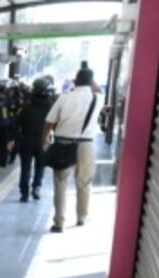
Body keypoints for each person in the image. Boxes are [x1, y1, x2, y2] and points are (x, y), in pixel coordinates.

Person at [43, 64, 104, 232]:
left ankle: (59, 223)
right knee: (84, 183)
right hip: (86, 145)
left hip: (63, 144)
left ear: (75, 81)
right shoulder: (97, 98)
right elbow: (98, 89)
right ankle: (81, 217)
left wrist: (46, 139)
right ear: (91, 82)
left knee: (61, 183)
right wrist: (91, 81)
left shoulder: (64, 98)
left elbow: (49, 121)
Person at [14, 77, 53, 202]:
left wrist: (12, 139)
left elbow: (16, 124)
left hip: (26, 140)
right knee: (40, 166)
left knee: (25, 166)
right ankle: (36, 187)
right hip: (43, 140)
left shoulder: (26, 106)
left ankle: (24, 193)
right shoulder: (50, 107)